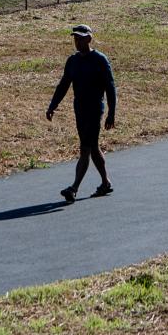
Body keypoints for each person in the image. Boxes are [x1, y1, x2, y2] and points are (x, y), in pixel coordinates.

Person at [47, 24, 117, 202]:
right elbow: (64, 85)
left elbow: (110, 87)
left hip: (95, 109)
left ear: (89, 39)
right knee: (93, 147)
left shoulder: (100, 60)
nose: (77, 41)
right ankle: (105, 182)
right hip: (79, 109)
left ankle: (74, 188)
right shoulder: (72, 61)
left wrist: (111, 113)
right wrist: (52, 105)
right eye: (75, 38)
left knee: (86, 148)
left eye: (80, 38)